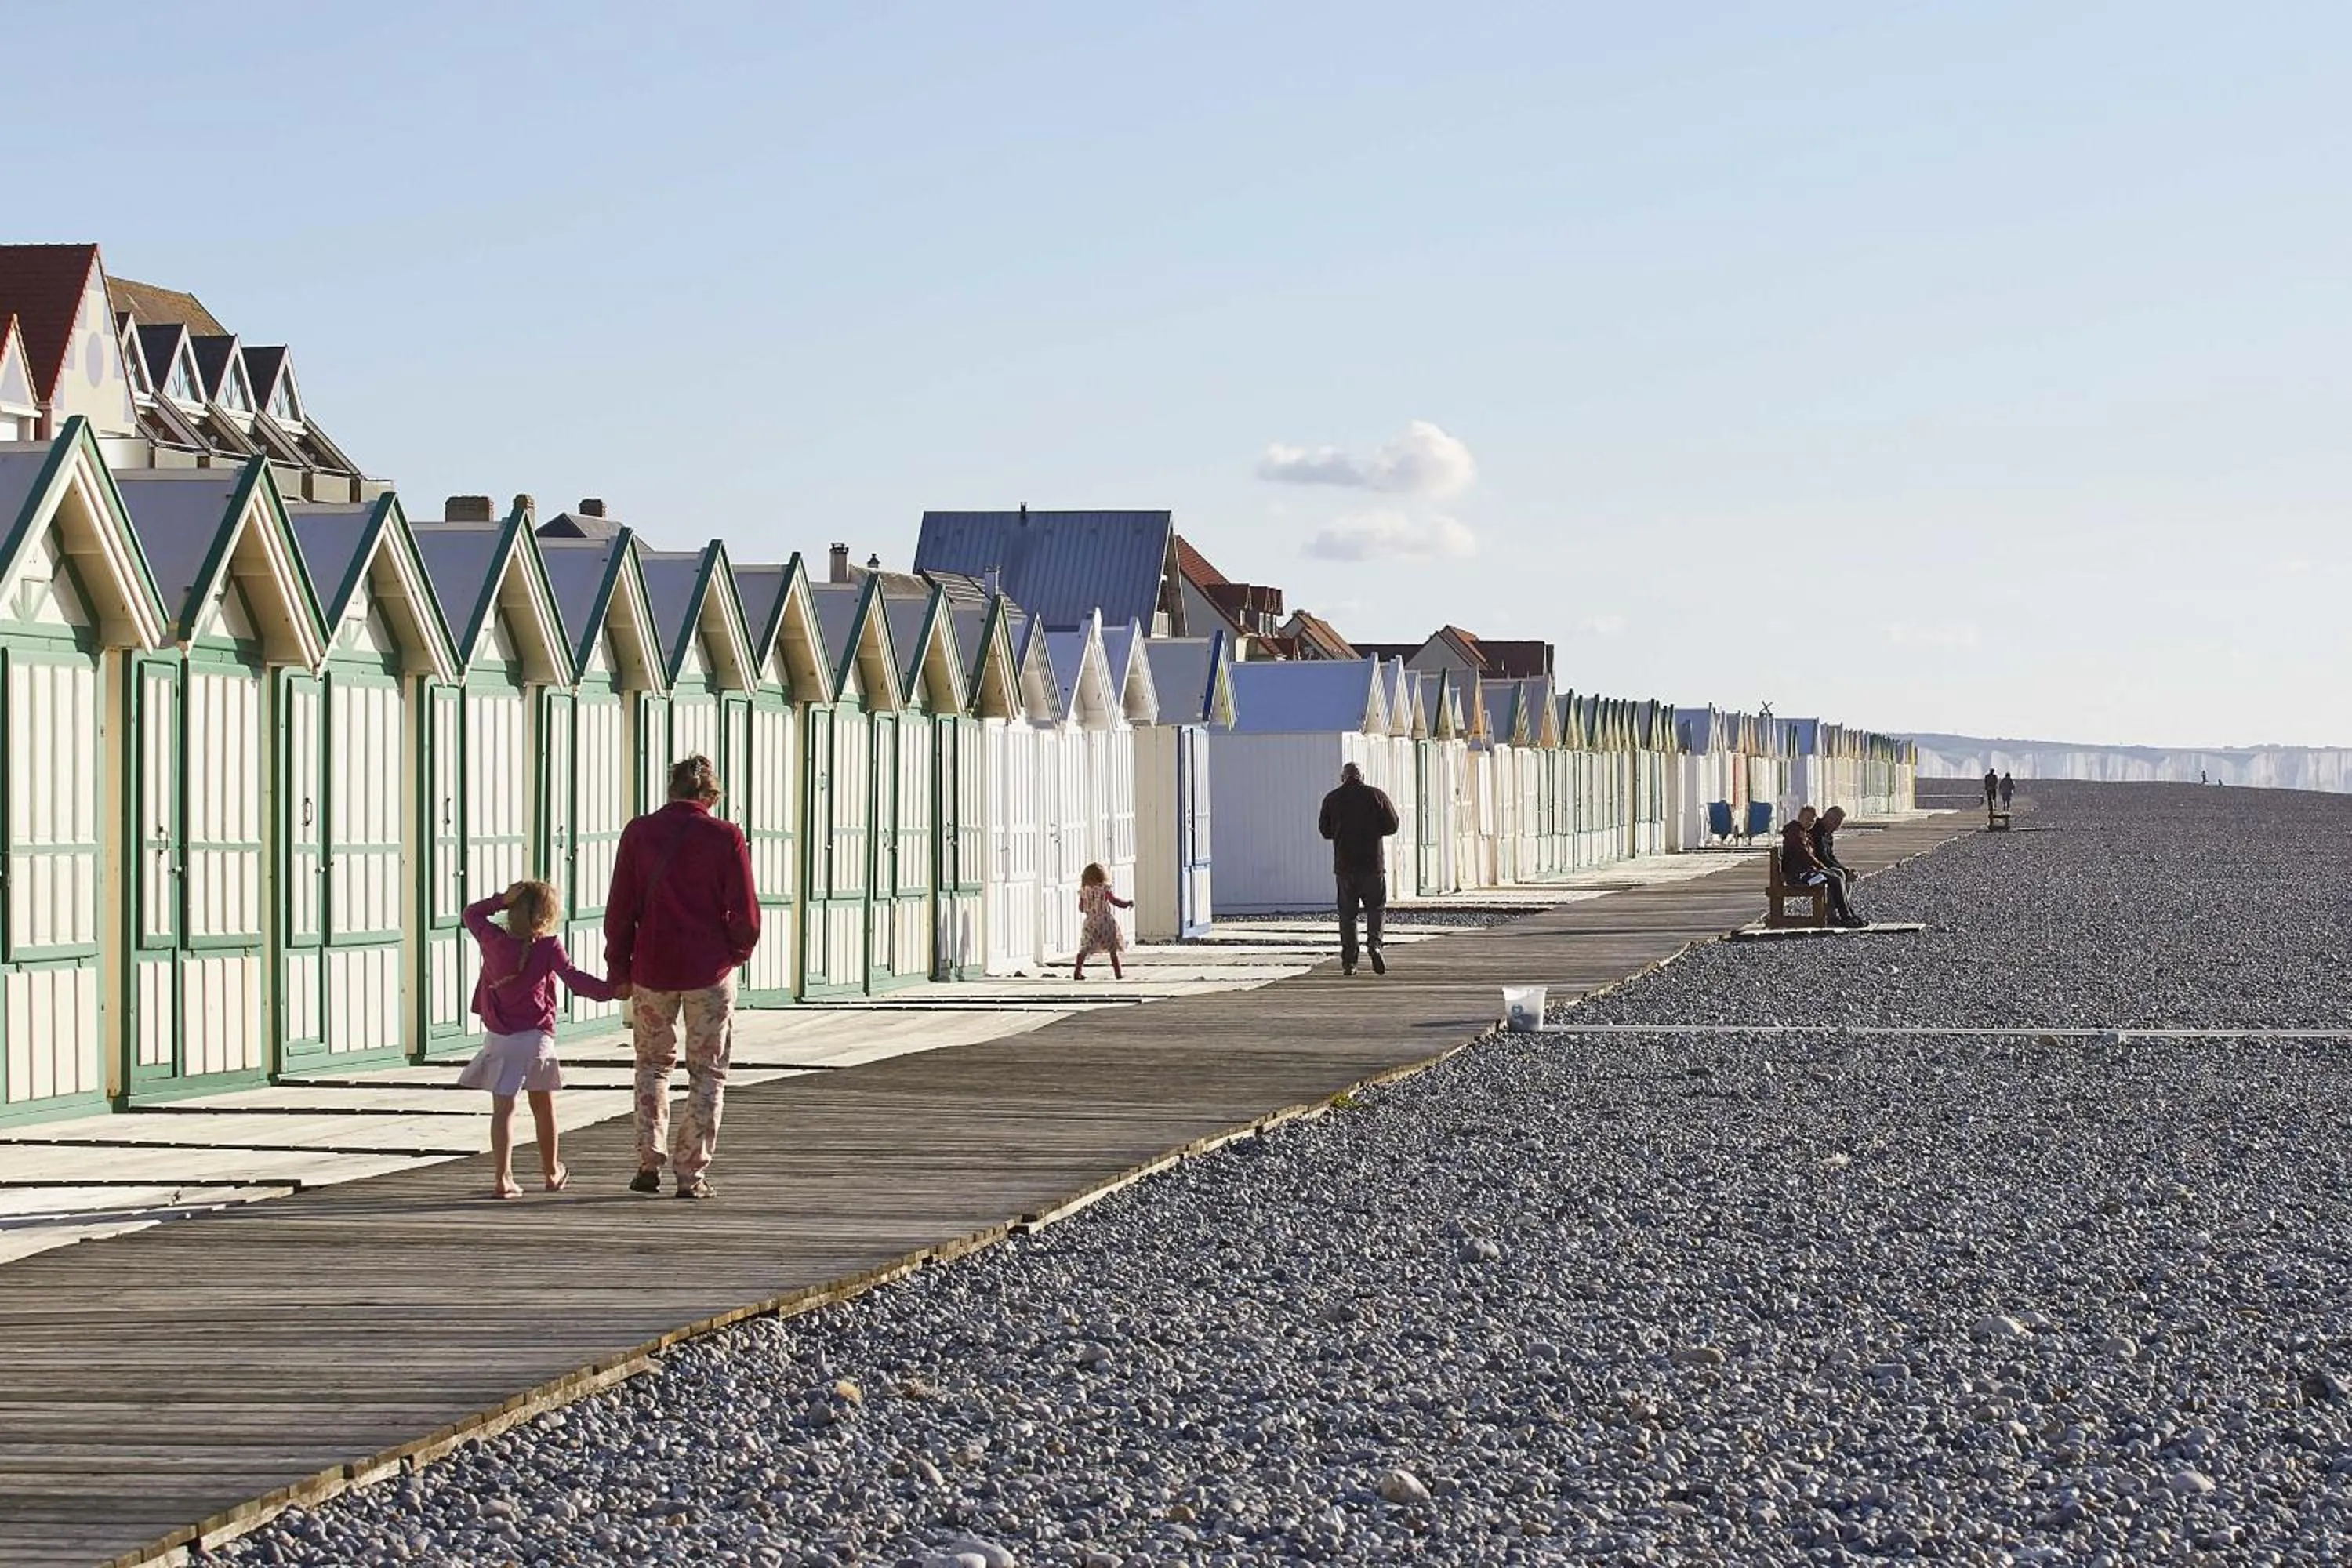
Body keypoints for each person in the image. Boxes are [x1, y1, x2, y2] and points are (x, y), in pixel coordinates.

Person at [606, 755, 760, 1200]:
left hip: (652, 967)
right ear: (711, 796)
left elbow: (621, 908)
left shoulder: (639, 833)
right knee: (707, 1071)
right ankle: (691, 1173)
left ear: (671, 789)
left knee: (652, 1065)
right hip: (708, 970)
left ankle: (647, 1161)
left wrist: (619, 967)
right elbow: (745, 911)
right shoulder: (726, 836)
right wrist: (736, 953)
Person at [456, 880, 622, 1200]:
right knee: (544, 1109)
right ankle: (551, 1172)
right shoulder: (549, 947)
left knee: (503, 1110)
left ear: (513, 911)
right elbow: (575, 980)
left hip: (500, 1038)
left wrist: (500, 900)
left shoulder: (492, 939)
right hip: (536, 1039)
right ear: (547, 916)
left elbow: (471, 914)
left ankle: (503, 1178)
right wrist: (612, 990)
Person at [1317, 761, 1399, 977]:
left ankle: (1349, 963)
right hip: (1373, 864)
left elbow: (1324, 830)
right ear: (1362, 776)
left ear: (1342, 777)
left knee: (1348, 916)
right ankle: (1375, 944)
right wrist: (1374, 830)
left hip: (1345, 866)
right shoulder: (1376, 796)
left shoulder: (1332, 799)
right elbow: (1393, 825)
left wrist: (1341, 832)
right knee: (1376, 908)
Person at [1781, 804, 1860, 927]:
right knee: (1835, 878)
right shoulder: (1797, 833)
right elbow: (1807, 856)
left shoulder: (1806, 833)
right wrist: (1822, 868)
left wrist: (1844, 870)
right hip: (1799, 876)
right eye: (1808, 819)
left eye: (1813, 820)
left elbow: (1827, 856)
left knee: (1838, 874)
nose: (1810, 823)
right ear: (1800, 817)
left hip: (1807, 873)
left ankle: (1848, 914)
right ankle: (1845, 917)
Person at [1072, 862, 1134, 981]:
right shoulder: (1104, 889)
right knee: (1112, 949)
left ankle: (1077, 972)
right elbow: (1114, 901)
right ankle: (1118, 973)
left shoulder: (1083, 891)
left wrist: (1089, 906)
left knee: (1084, 948)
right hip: (1105, 922)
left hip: (1090, 922)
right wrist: (1126, 904)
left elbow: (1081, 908)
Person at [1808, 806, 1866, 927]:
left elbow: (1831, 857)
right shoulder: (1817, 831)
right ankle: (1843, 916)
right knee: (1838, 876)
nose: (1836, 827)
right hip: (1810, 872)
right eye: (1834, 822)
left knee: (1842, 876)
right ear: (1827, 818)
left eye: (1838, 824)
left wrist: (1846, 870)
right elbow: (1822, 857)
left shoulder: (1827, 833)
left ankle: (1837, 915)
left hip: (1819, 868)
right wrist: (1844, 871)